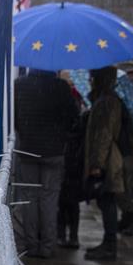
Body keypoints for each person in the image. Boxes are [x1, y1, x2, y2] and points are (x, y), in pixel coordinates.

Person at [14, 69, 79, 258]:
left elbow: (15, 118)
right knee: (49, 199)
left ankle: (31, 246)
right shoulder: (61, 87)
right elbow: (73, 118)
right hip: (54, 151)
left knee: (30, 198)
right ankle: (48, 247)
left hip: (27, 149)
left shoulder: (19, 85)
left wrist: (26, 132)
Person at [83, 66, 125, 260]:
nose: (90, 79)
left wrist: (97, 164)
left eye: (93, 76)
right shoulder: (109, 99)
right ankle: (108, 244)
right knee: (106, 200)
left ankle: (109, 246)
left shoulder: (106, 102)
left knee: (106, 200)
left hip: (107, 159)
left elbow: (104, 135)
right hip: (109, 157)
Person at [57, 71, 87, 248]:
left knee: (66, 200)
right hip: (70, 159)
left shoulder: (70, 105)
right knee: (67, 201)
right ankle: (68, 235)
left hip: (69, 158)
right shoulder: (74, 106)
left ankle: (68, 235)